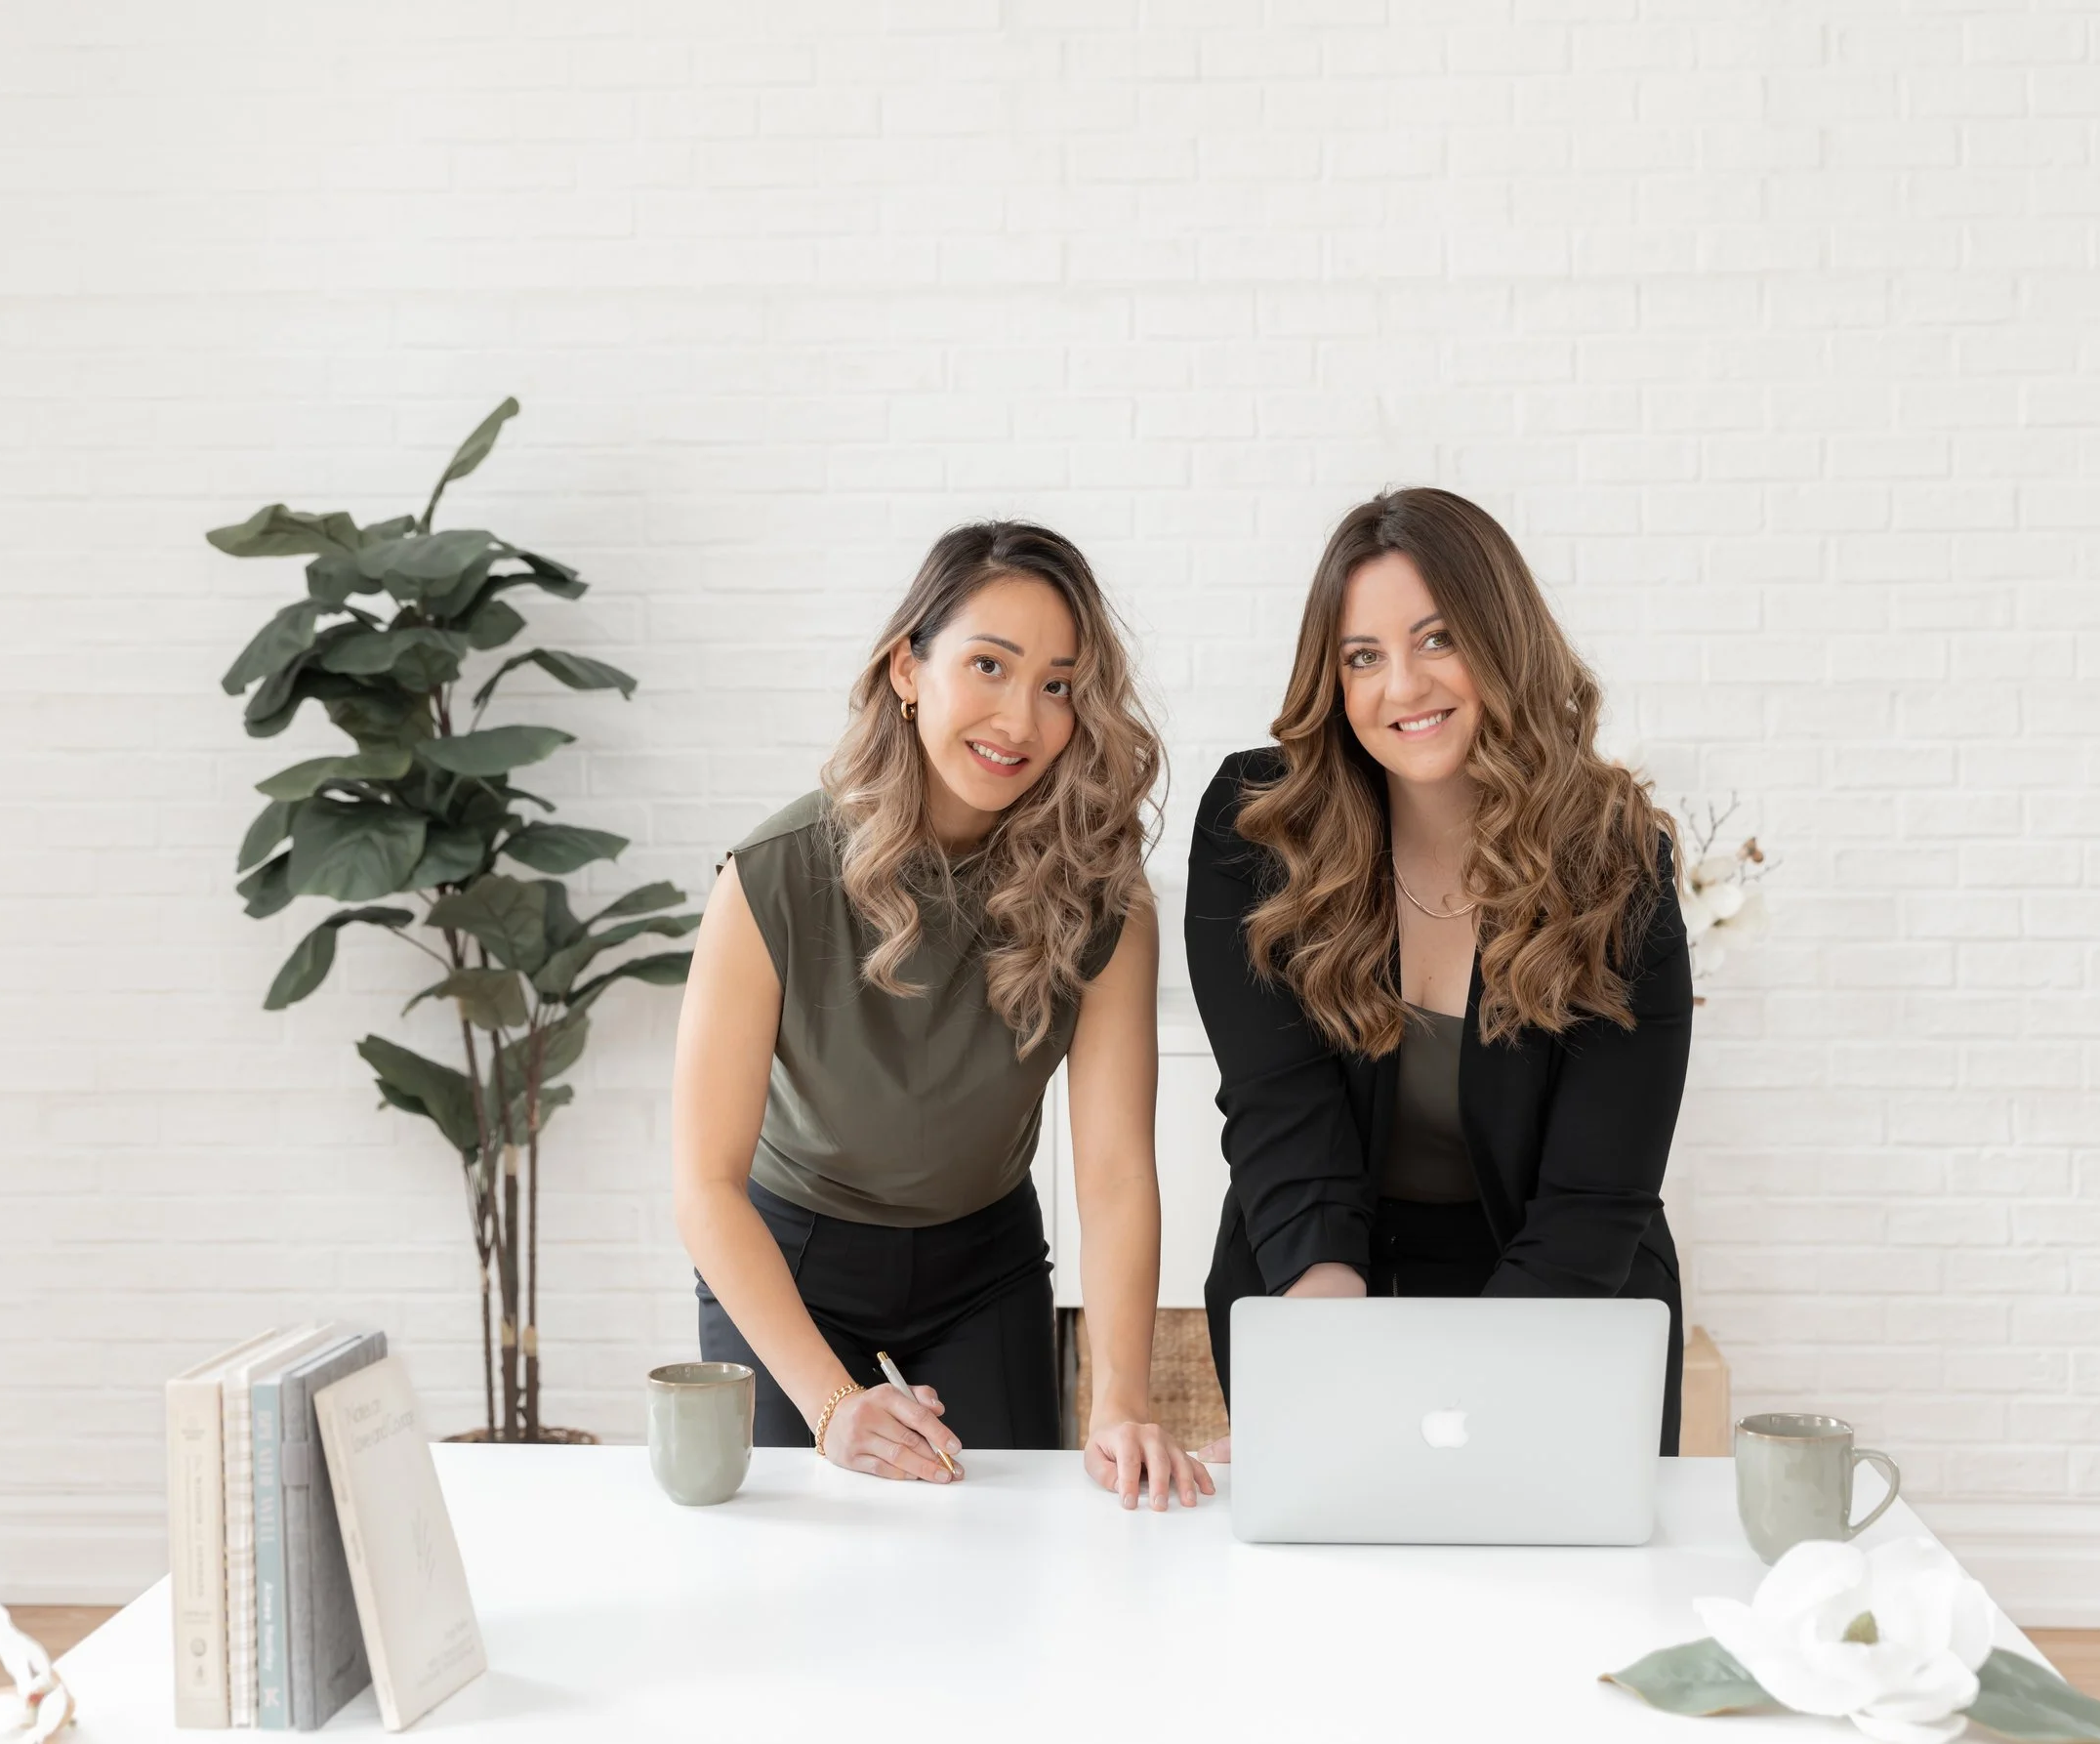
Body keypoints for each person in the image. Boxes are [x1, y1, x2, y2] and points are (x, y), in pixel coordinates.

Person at [672, 521, 1212, 1510]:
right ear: (907, 669)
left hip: (984, 1267)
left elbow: (1117, 1169)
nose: (1020, 717)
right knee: (793, 1561)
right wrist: (834, 1404)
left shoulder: (1104, 893)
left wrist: (1121, 1398)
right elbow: (705, 1182)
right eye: (989, 666)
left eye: (1057, 685)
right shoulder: (771, 877)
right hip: (790, 1259)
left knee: (1008, 1553)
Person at [1186, 487, 1692, 1459]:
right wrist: (1338, 1382)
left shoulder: (1617, 861)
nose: (1401, 687)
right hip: (1318, 1278)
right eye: (1361, 657)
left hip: (1565, 1293)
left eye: (1436, 639)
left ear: (1503, 644)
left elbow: (1595, 1194)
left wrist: (1444, 1411)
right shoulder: (1255, 832)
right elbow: (1282, 1121)